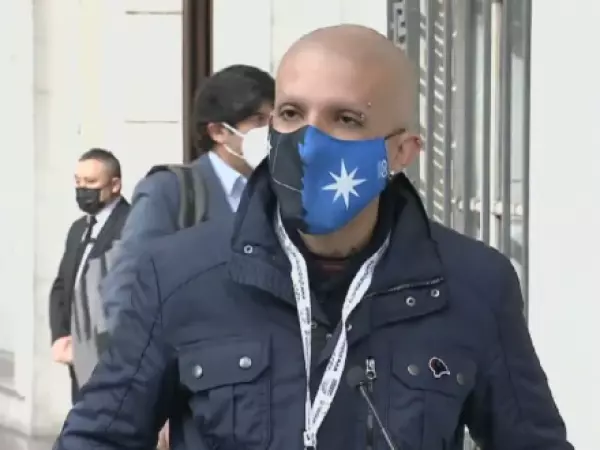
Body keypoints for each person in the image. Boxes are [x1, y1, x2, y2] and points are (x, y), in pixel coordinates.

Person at [54, 25, 573, 450]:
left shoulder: (474, 285)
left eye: (346, 118)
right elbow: (98, 437)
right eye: (291, 114)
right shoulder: (179, 275)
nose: (308, 142)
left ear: (402, 152)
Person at [100, 64, 274, 331]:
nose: (271, 131)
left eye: (276, 119)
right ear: (218, 131)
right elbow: (127, 292)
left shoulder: (279, 194)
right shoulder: (171, 191)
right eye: (258, 120)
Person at [49, 148, 129, 405]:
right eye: (78, 181)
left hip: (114, 359)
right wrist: (61, 335)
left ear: (114, 185)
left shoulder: (132, 226)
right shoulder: (78, 229)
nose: (83, 189)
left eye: (91, 182)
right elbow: (62, 286)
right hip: (77, 357)